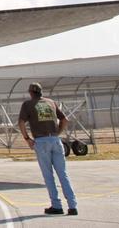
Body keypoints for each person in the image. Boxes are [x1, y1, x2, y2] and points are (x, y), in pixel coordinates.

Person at [18, 82, 78, 216]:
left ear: (30, 93)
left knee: (48, 175)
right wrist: (58, 133)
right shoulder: (51, 102)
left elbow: (21, 122)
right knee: (63, 174)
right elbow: (64, 120)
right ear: (41, 92)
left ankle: (56, 205)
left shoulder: (27, 104)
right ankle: (72, 206)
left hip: (41, 140)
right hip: (55, 140)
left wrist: (27, 138)